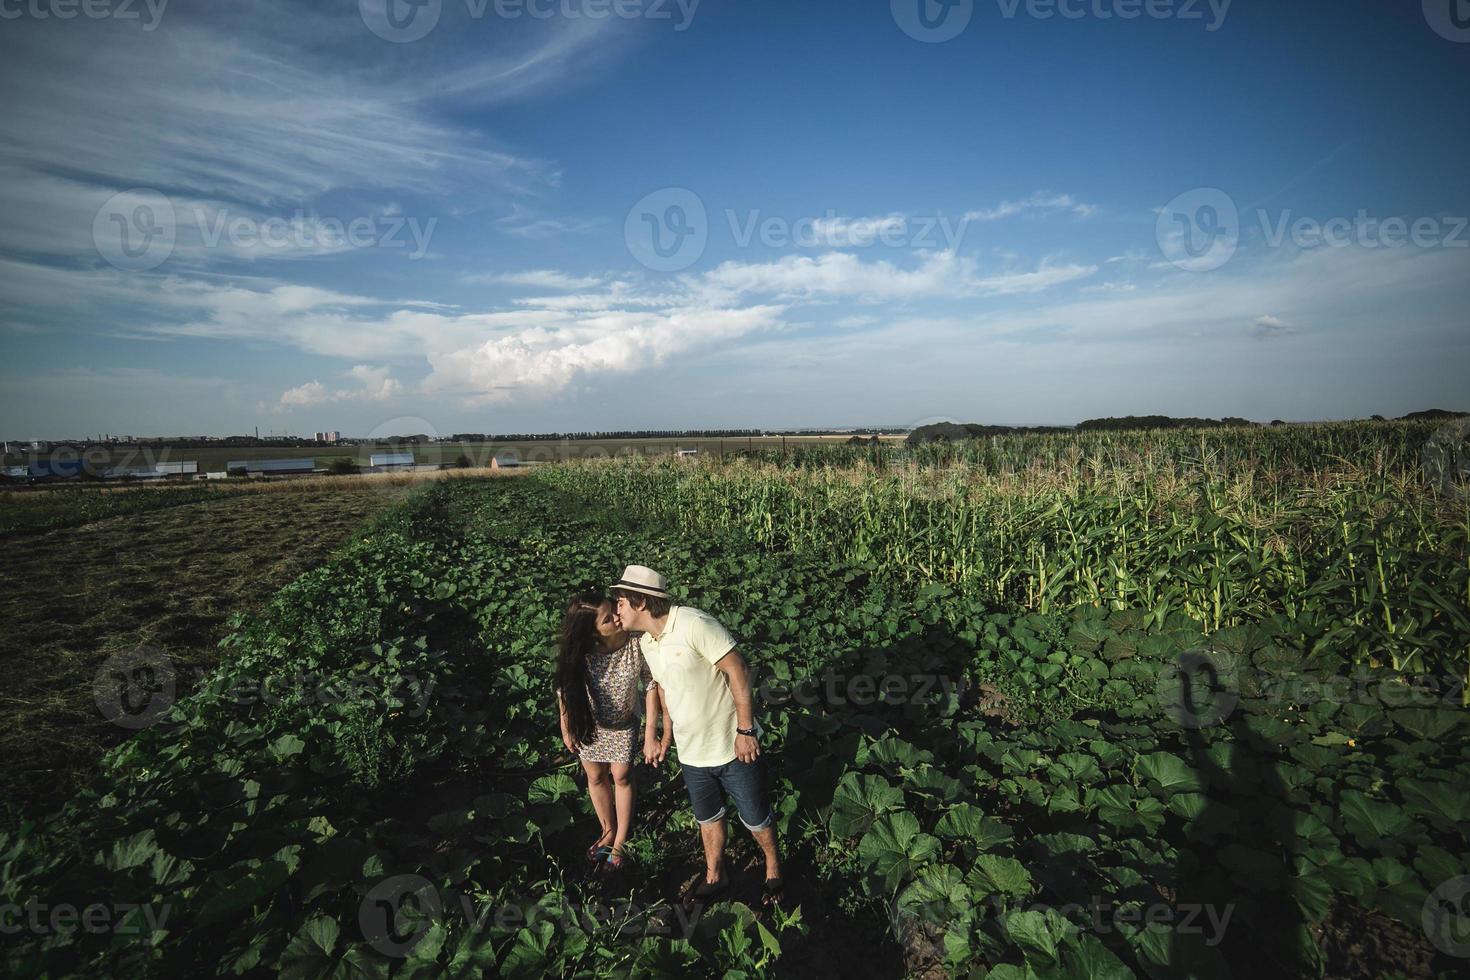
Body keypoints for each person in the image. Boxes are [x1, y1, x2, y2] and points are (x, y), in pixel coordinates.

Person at [610, 565, 785, 906]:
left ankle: (773, 867)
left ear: (641, 603)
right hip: (692, 753)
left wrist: (746, 729)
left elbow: (738, 669)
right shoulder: (647, 642)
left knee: (754, 816)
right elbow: (664, 689)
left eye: (621, 601)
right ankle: (715, 875)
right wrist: (664, 736)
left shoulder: (693, 624)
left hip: (732, 746)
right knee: (708, 817)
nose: (616, 608)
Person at [554, 591, 670, 872]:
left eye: (613, 611)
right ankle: (607, 830)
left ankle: (619, 840)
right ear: (593, 633)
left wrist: (651, 731)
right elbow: (564, 690)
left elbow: (652, 685)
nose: (618, 618)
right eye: (608, 619)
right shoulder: (582, 654)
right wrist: (566, 726)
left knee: (622, 775)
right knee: (595, 776)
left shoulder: (635, 644)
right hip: (590, 725)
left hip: (623, 724)